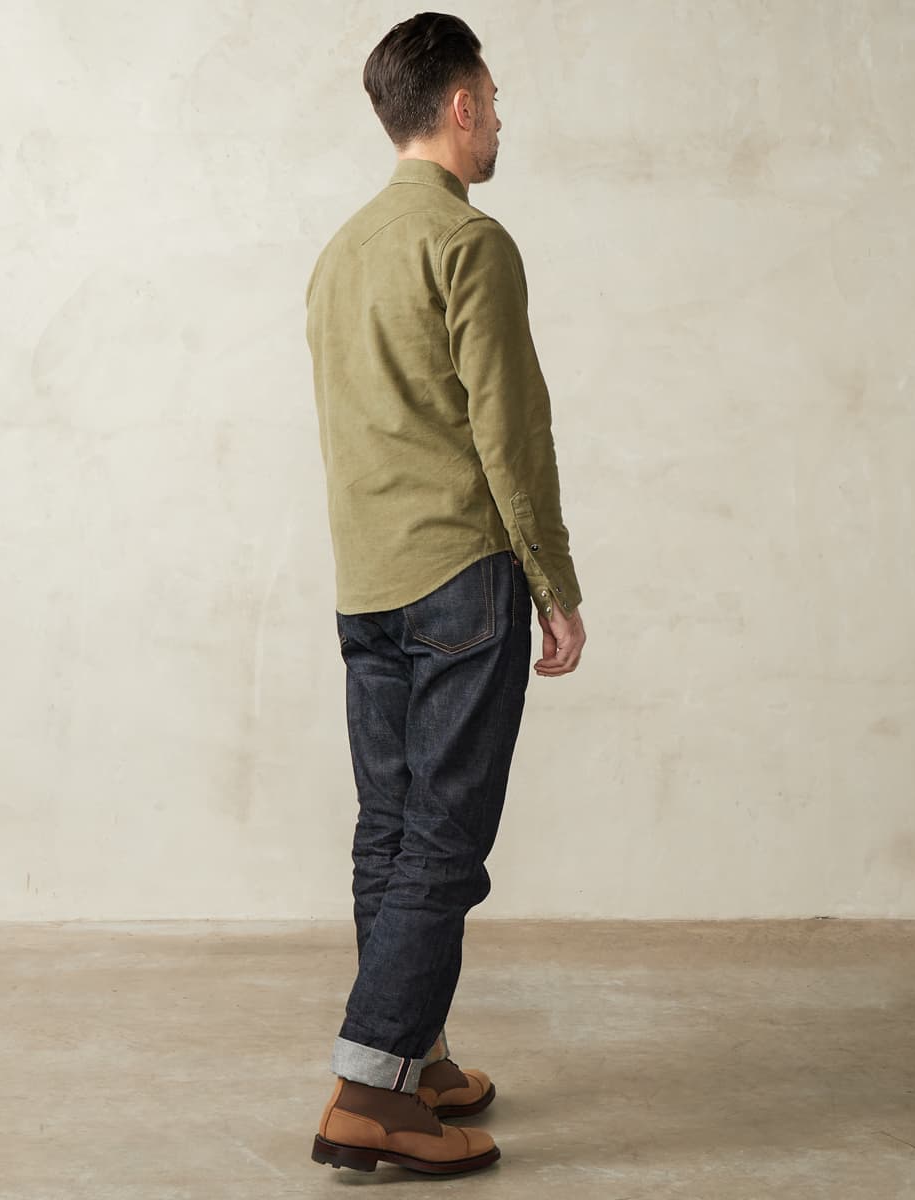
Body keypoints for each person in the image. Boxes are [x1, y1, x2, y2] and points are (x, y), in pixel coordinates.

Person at [304, 11, 586, 1177]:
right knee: (443, 843)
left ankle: (412, 1059)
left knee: (389, 830)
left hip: (365, 581)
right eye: (493, 101)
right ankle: (366, 1093)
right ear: (460, 105)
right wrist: (551, 579)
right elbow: (508, 430)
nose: (498, 120)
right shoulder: (469, 242)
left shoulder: (340, 252)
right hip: (461, 575)